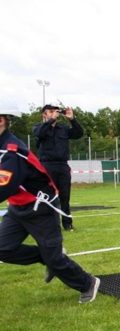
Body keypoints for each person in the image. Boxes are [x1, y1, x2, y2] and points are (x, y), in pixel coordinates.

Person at [0, 108, 99, 303]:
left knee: (55, 259)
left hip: (41, 209)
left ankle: (87, 283)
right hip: (18, 208)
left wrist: (72, 119)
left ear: (2, 121)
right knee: (2, 248)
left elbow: (5, 186)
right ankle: (45, 256)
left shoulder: (12, 151)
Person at [32, 103, 84, 231]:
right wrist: (51, 120)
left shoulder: (63, 129)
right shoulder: (39, 127)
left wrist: (72, 119)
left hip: (62, 166)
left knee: (65, 197)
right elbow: (40, 133)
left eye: (55, 111)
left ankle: (67, 224)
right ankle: (47, 224)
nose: (54, 113)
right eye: (50, 111)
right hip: (47, 166)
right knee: (47, 196)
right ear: (44, 114)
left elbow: (79, 133)